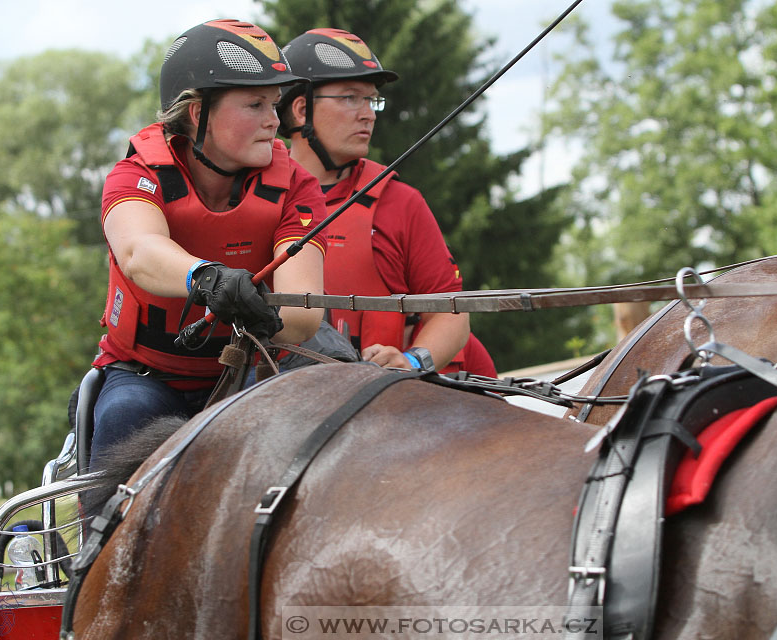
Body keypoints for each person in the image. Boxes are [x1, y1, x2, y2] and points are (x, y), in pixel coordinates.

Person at [88, 19, 327, 469]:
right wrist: (207, 277)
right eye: (255, 104)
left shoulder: (298, 186)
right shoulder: (135, 175)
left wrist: (262, 311)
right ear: (198, 113)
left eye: (274, 104)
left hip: (251, 372)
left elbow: (303, 314)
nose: (274, 120)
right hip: (146, 377)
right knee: (124, 416)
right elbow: (139, 251)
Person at [278, 28, 497, 376]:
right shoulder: (254, 196)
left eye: (372, 99)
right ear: (301, 110)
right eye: (351, 98)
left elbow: (452, 315)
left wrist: (411, 362)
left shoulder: (401, 202)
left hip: (405, 400)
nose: (369, 114)